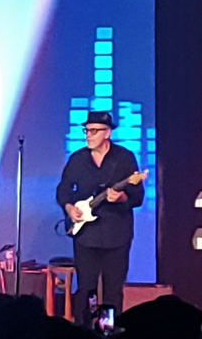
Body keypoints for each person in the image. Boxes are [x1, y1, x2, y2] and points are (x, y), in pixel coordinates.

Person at [57, 111, 143, 322]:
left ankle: (109, 337)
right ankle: (83, 335)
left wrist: (122, 197)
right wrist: (69, 208)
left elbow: (137, 196)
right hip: (86, 236)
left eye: (94, 131)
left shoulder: (124, 159)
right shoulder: (77, 159)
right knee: (86, 288)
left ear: (108, 133)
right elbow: (63, 189)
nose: (88, 135)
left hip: (116, 235)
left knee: (113, 291)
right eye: (86, 130)